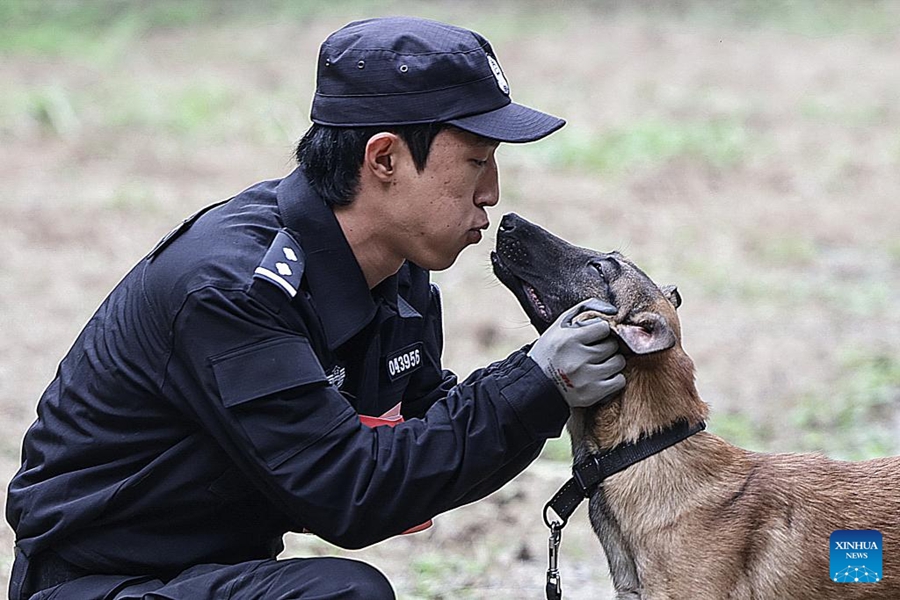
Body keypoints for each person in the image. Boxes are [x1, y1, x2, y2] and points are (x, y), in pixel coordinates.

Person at [6, 16, 626, 600]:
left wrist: (551, 386)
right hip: (104, 582)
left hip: (213, 572)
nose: (491, 192)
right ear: (384, 159)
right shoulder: (232, 289)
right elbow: (352, 493)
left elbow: (424, 436)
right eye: (476, 161)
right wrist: (537, 380)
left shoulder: (395, 270)